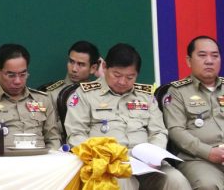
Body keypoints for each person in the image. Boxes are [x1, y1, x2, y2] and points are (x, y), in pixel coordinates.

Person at [65, 43, 191, 190]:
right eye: (117, 75)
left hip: (146, 164)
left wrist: (153, 155)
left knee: (176, 180)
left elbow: (158, 132)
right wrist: (103, 156)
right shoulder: (85, 95)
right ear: (104, 67)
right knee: (122, 182)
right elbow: (75, 135)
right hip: (108, 164)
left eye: (130, 77)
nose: (122, 82)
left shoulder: (145, 96)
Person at [0, 44, 60, 149]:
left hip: (41, 157)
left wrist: (52, 156)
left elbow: (53, 139)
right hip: (2, 158)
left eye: (22, 74)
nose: (17, 81)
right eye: (11, 75)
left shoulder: (42, 100)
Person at [162, 36, 224, 189]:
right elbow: (176, 131)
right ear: (189, 61)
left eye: (214, 56)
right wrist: (208, 152)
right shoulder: (177, 91)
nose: (209, 61)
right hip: (200, 159)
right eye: (202, 55)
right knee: (207, 185)